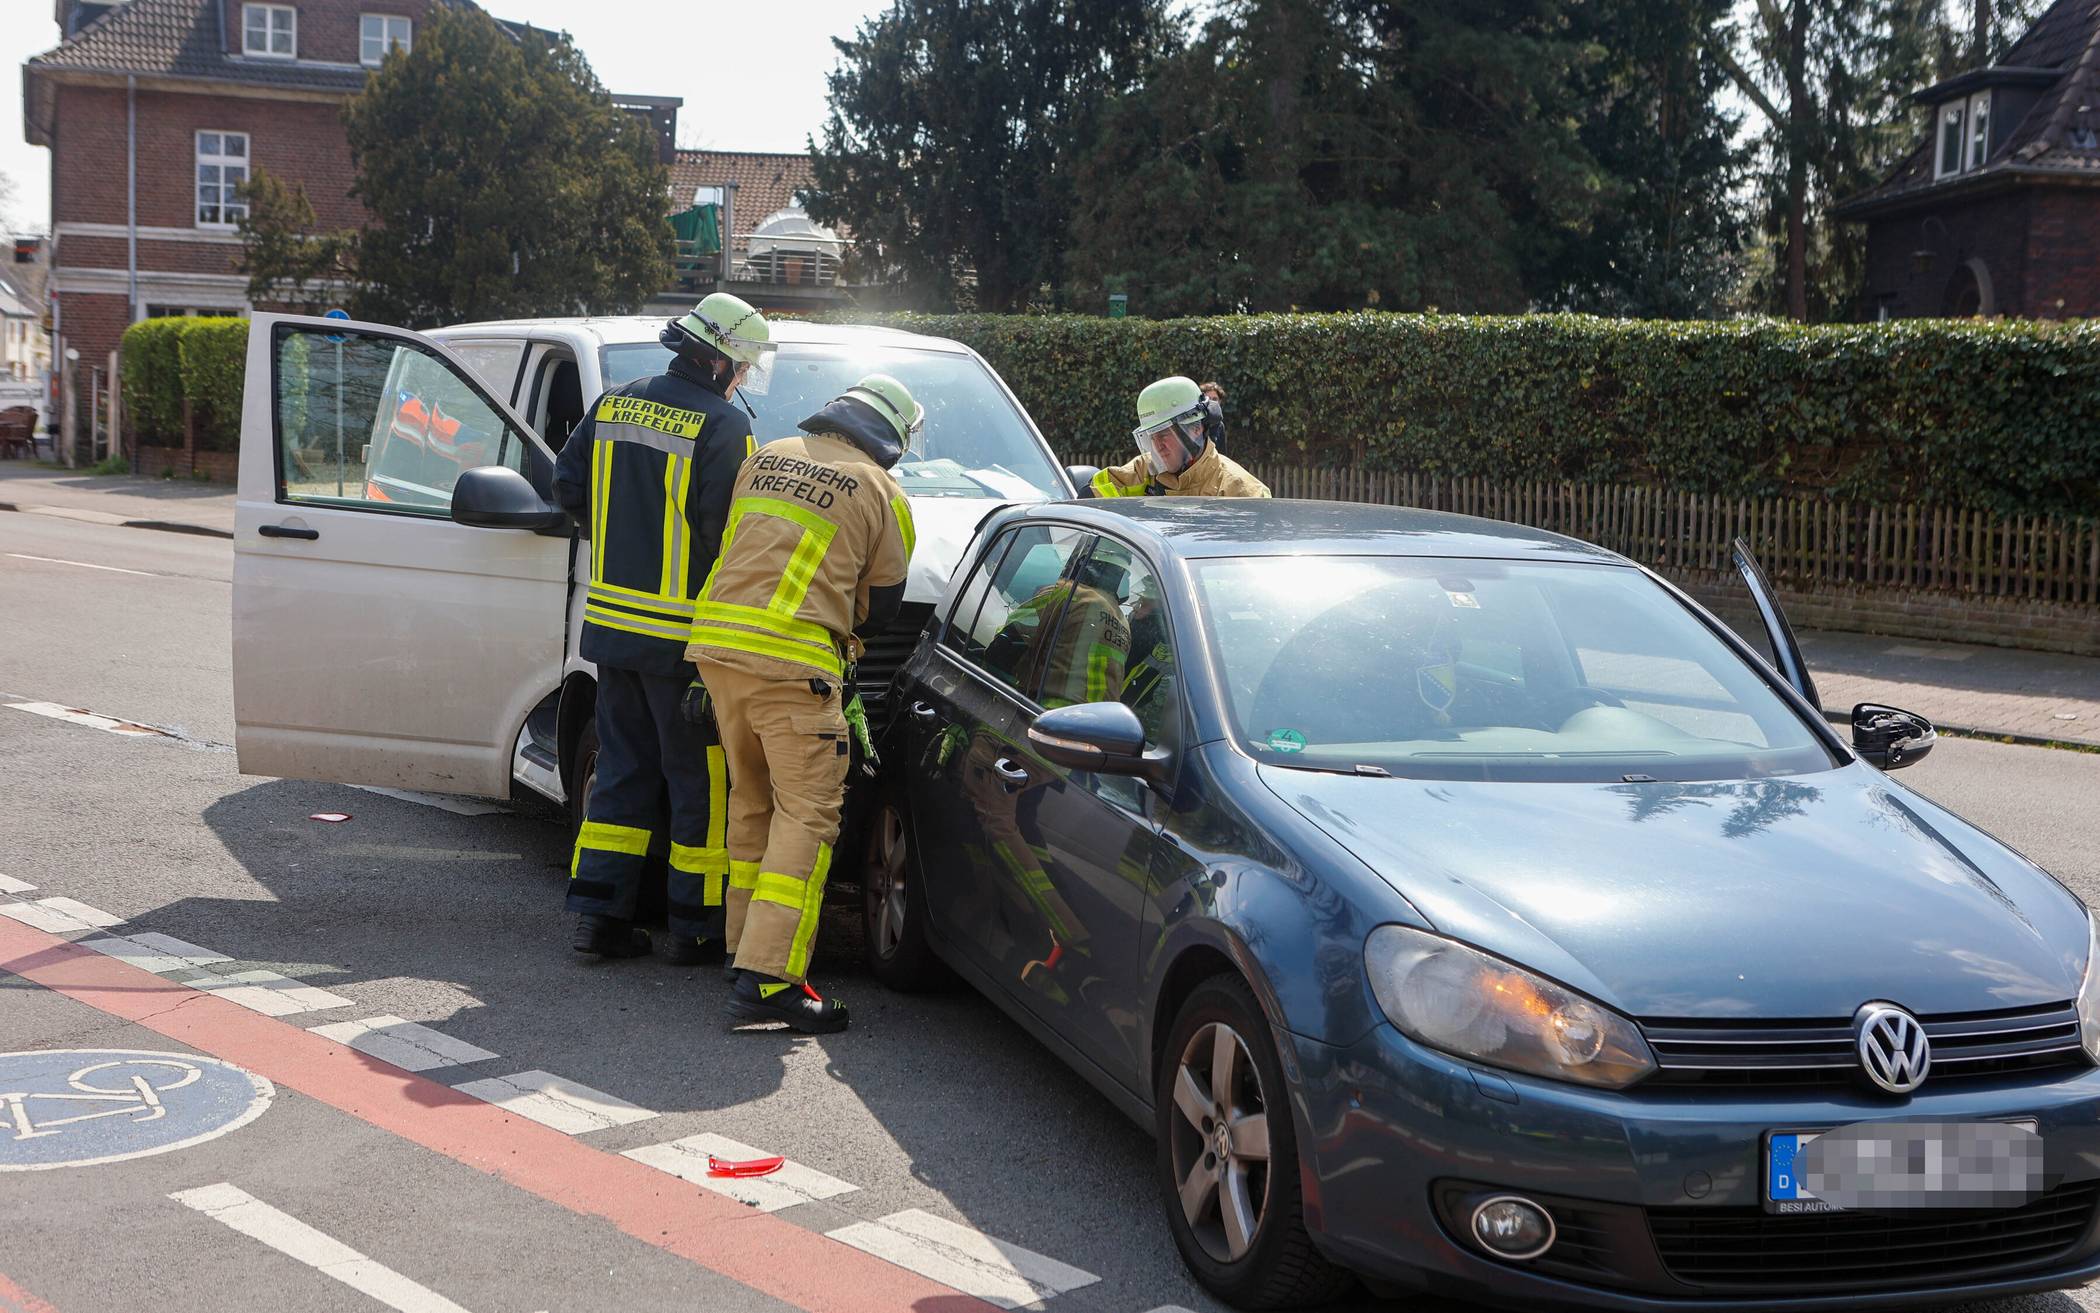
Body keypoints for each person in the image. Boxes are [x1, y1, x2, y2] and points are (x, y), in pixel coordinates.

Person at [686, 374, 920, 1034]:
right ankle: (771, 978)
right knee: (809, 815)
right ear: (892, 437)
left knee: (752, 801)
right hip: (794, 669)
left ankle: (742, 947)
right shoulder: (882, 490)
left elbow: (737, 547)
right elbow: (884, 605)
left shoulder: (765, 457)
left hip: (717, 653)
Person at [553, 293, 772, 964]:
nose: (744, 377)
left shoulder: (614, 403)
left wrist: (623, 537)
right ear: (721, 359)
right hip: (684, 643)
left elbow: (566, 488)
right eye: (743, 364)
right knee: (698, 783)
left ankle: (600, 917)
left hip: (613, 632)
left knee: (621, 769)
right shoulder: (725, 428)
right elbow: (727, 536)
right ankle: (697, 926)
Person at [1089, 376, 1269, 499]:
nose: (1157, 446)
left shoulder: (1240, 490)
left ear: (1196, 428)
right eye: (1151, 436)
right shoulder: (1146, 469)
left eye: (1164, 434)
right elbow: (1092, 494)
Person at [1198, 380, 1228, 452]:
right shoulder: (1193, 422)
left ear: (1219, 402)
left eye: (1215, 399)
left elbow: (1221, 454)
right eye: (1207, 398)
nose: (1211, 402)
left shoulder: (1219, 426)